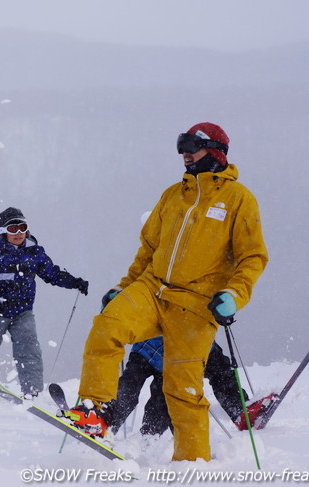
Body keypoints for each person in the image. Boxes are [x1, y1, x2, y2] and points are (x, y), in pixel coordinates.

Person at [62, 122, 268, 461]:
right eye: (181, 146)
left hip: (196, 305)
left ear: (215, 150)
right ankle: (93, 410)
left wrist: (234, 296)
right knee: (107, 325)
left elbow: (252, 257)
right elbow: (148, 250)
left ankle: (191, 465)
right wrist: (123, 288)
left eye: (191, 145)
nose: (184, 153)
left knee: (182, 391)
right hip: (152, 289)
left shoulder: (238, 200)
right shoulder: (173, 195)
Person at [0, 207, 88, 398]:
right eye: (13, 229)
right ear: (3, 232)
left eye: (22, 227)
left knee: (29, 350)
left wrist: (74, 282)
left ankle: (32, 392)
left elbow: (51, 274)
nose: (18, 233)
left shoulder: (34, 253)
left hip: (22, 312)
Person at [111, 337, 262, 436]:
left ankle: (241, 413)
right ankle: (108, 425)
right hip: (154, 347)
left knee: (161, 399)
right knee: (134, 390)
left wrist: (222, 305)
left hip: (189, 346)